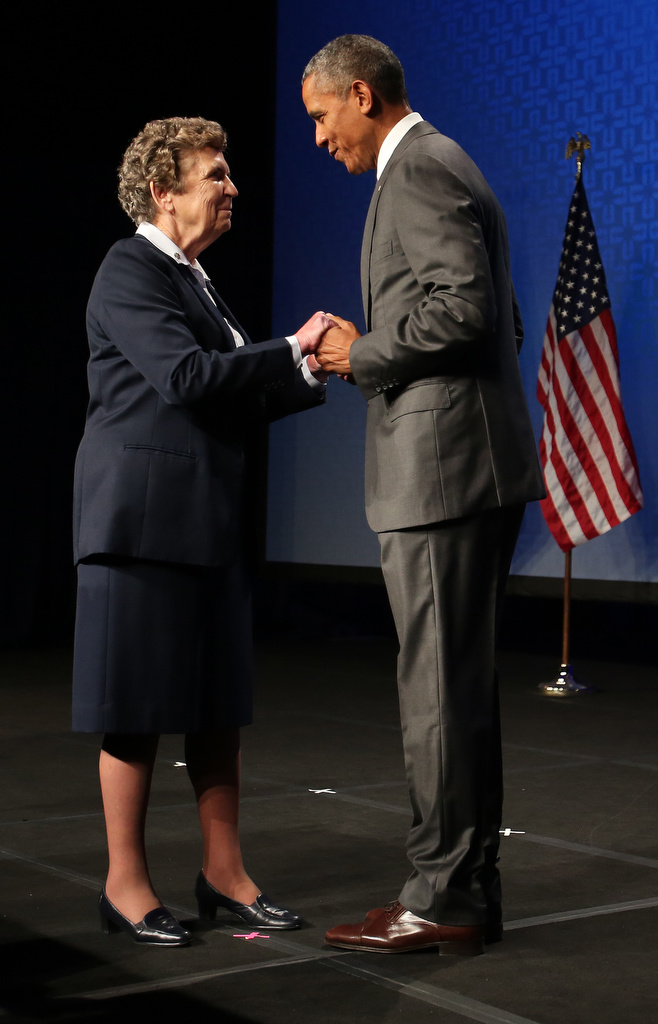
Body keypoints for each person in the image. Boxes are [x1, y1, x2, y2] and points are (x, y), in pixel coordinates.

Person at [302, 35, 545, 955]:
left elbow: (472, 311)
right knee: (457, 690)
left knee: (438, 694)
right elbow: (495, 316)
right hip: (464, 463)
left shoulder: (418, 169)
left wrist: (359, 352)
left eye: (322, 117)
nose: (321, 138)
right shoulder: (445, 164)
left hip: (442, 476)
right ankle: (461, 891)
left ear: (360, 96)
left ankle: (442, 897)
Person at [72, 116, 333, 946]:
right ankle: (125, 885)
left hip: (207, 519)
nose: (232, 187)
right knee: (138, 707)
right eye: (215, 174)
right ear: (163, 190)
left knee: (218, 708)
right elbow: (187, 379)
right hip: (143, 522)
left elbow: (232, 390)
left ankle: (225, 876)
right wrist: (290, 344)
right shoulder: (130, 267)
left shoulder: (198, 280)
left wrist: (311, 369)